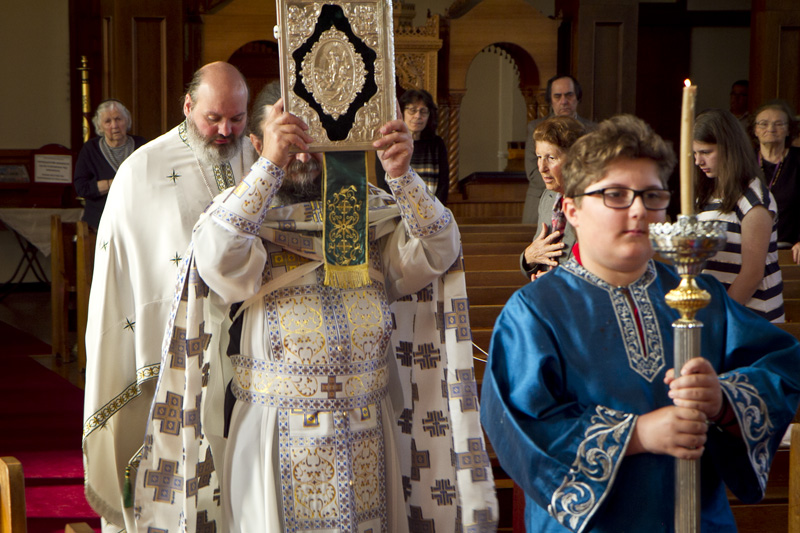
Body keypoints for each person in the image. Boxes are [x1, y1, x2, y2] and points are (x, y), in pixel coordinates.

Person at [134, 86, 498, 531]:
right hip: (273, 428)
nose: (304, 154)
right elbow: (218, 260)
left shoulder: (372, 214)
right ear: (255, 142)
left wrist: (401, 176)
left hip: (367, 426)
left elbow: (439, 252)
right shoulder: (242, 220)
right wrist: (271, 165)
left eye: (314, 139)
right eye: (289, 138)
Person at [481, 114, 800, 532]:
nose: (638, 210)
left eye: (652, 196)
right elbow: (520, 427)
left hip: (696, 519)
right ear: (572, 208)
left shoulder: (698, 296)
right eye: (615, 194)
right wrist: (638, 435)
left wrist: (723, 400)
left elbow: (780, 368)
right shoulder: (533, 312)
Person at [82, 61, 257, 532]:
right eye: (213, 118)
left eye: (236, 119)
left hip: (248, 354)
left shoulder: (255, 159)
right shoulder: (143, 170)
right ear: (187, 107)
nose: (225, 130)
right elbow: (131, 268)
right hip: (173, 356)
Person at [693, 108, 785, 323]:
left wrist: (720, 318)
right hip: (718, 308)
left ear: (729, 149)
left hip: (750, 317)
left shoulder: (754, 199)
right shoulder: (706, 195)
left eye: (706, 152)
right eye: (695, 153)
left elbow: (752, 274)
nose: (698, 161)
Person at [522, 75, 596, 225]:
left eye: (569, 95)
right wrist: (560, 188)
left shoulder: (593, 130)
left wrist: (573, 191)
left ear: (577, 97)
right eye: (557, 96)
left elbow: (595, 168)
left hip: (581, 200)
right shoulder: (536, 128)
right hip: (540, 200)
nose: (564, 101)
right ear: (550, 100)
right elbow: (533, 172)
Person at [520, 116, 585, 280]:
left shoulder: (591, 203)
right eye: (539, 157)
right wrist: (528, 258)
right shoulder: (548, 198)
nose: (542, 168)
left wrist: (555, 280)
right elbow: (538, 255)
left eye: (551, 158)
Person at [73, 99, 146, 230]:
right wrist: (113, 183)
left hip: (137, 221)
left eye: (118, 119)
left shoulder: (142, 146)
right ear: (99, 126)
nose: (114, 125)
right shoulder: (90, 149)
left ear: (127, 121)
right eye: (108, 121)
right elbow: (82, 187)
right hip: (99, 223)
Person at [376, 88, 449, 204]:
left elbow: (443, 184)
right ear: (402, 113)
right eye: (412, 110)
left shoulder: (437, 144)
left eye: (423, 111)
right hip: (397, 210)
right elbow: (383, 184)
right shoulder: (390, 144)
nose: (418, 116)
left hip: (431, 210)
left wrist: (434, 211)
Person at [751, 100, 800, 261]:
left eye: (778, 124)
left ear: (788, 130)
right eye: (763, 124)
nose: (770, 129)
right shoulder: (744, 161)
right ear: (755, 130)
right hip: (749, 249)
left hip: (790, 250)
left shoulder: (797, 159)